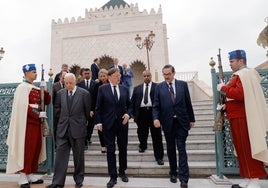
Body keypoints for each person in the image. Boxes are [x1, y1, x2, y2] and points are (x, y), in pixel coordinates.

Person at [217, 50, 268, 188]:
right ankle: (248, 176)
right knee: (241, 149)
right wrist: (225, 106)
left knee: (247, 148)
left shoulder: (244, 74)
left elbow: (239, 94)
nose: (230, 64)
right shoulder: (240, 75)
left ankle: (255, 178)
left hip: (242, 117)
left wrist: (224, 88)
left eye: (232, 61)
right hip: (236, 116)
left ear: (241, 61)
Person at [6, 64, 51, 188]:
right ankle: (23, 175)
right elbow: (23, 107)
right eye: (33, 72)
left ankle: (30, 172)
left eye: (36, 72)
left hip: (37, 123)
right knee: (28, 149)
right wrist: (37, 113)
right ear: (26, 73)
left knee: (37, 148)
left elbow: (46, 101)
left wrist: (45, 91)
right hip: (27, 124)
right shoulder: (22, 87)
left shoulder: (35, 87)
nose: (35, 74)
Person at [152, 64, 195, 188]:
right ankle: (173, 172)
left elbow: (188, 102)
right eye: (164, 74)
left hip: (182, 122)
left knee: (181, 148)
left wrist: (192, 119)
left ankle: (184, 178)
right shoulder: (159, 88)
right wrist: (155, 118)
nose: (166, 77)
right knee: (171, 149)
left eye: (168, 74)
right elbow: (156, 106)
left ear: (174, 73)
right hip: (167, 123)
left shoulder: (183, 85)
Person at [46, 73, 91, 188]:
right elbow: (57, 110)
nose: (68, 85)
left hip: (78, 130)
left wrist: (80, 122)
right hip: (63, 129)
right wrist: (63, 120)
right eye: (66, 83)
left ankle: (79, 179)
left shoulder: (84, 94)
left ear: (75, 81)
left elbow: (87, 113)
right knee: (60, 156)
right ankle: (57, 182)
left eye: (70, 83)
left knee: (79, 157)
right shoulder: (60, 94)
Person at [94, 68, 131, 188]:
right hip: (108, 124)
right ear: (109, 77)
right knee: (110, 150)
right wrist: (98, 122)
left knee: (123, 148)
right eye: (116, 76)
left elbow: (130, 106)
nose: (118, 77)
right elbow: (98, 107)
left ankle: (122, 172)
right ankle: (112, 176)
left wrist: (128, 114)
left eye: (119, 75)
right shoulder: (102, 89)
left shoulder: (124, 89)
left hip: (122, 124)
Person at [131, 70, 164, 165]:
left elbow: (161, 101)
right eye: (144, 76)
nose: (146, 77)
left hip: (154, 113)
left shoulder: (157, 87)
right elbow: (133, 101)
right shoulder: (137, 88)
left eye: (148, 75)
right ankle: (143, 146)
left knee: (156, 135)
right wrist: (133, 112)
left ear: (151, 76)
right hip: (141, 113)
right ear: (143, 77)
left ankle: (159, 157)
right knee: (141, 132)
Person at [77, 68, 96, 150]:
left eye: (88, 73)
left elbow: (95, 98)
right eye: (85, 73)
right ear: (83, 74)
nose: (87, 75)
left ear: (90, 74)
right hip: (82, 109)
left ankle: (88, 138)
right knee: (83, 126)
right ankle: (84, 142)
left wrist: (92, 109)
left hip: (92, 109)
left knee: (91, 126)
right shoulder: (79, 84)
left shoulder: (95, 84)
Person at [93, 69, 109, 153]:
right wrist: (92, 109)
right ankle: (103, 145)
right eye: (101, 76)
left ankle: (108, 144)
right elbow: (94, 99)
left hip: (109, 110)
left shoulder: (111, 84)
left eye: (104, 76)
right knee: (100, 128)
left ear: (107, 76)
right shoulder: (97, 86)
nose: (103, 78)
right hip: (99, 110)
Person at [53, 71, 67, 141]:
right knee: (56, 128)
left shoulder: (68, 86)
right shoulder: (54, 86)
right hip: (57, 113)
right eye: (63, 77)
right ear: (60, 77)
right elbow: (52, 100)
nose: (64, 79)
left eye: (66, 78)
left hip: (66, 112)